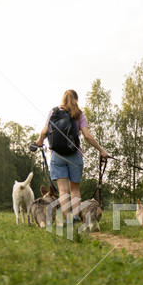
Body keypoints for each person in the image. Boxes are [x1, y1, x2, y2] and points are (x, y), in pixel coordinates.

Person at [34, 89, 108, 222]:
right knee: (74, 189)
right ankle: (74, 216)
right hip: (75, 155)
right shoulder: (79, 115)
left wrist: (39, 141)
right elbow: (87, 136)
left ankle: (67, 219)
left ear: (63, 99)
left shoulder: (54, 112)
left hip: (57, 156)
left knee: (63, 190)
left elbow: (45, 131)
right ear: (76, 100)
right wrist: (101, 150)